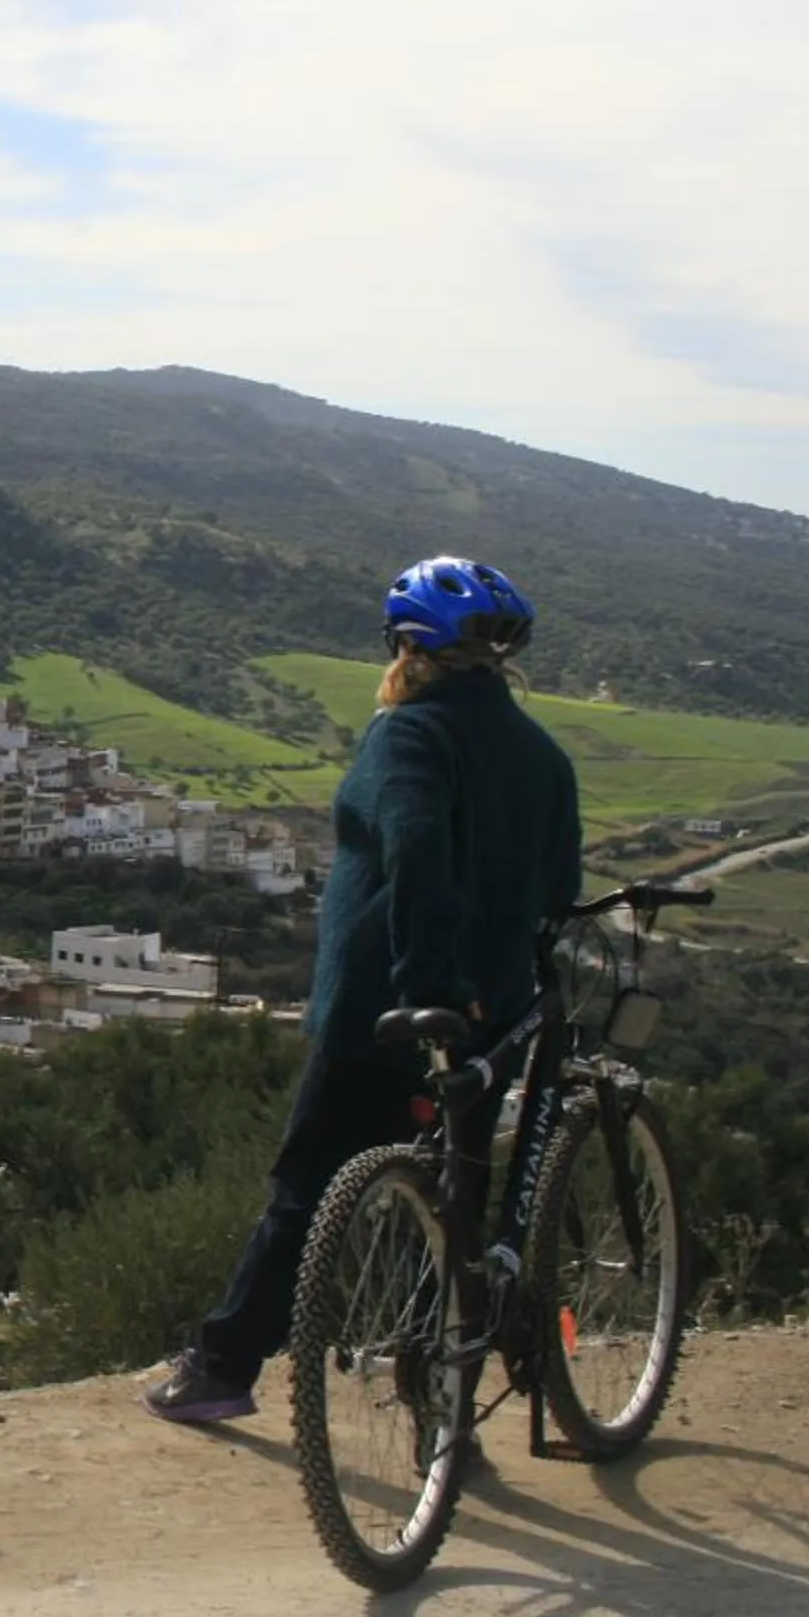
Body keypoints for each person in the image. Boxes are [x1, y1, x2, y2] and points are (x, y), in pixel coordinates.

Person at [142, 555, 582, 1423]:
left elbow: (415, 847)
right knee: (452, 1198)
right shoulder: (543, 755)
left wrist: (428, 980)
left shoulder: (409, 734)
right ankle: (440, 1404)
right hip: (491, 1014)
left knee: (306, 1191)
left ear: (405, 647)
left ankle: (223, 1368)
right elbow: (559, 891)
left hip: (388, 1010)